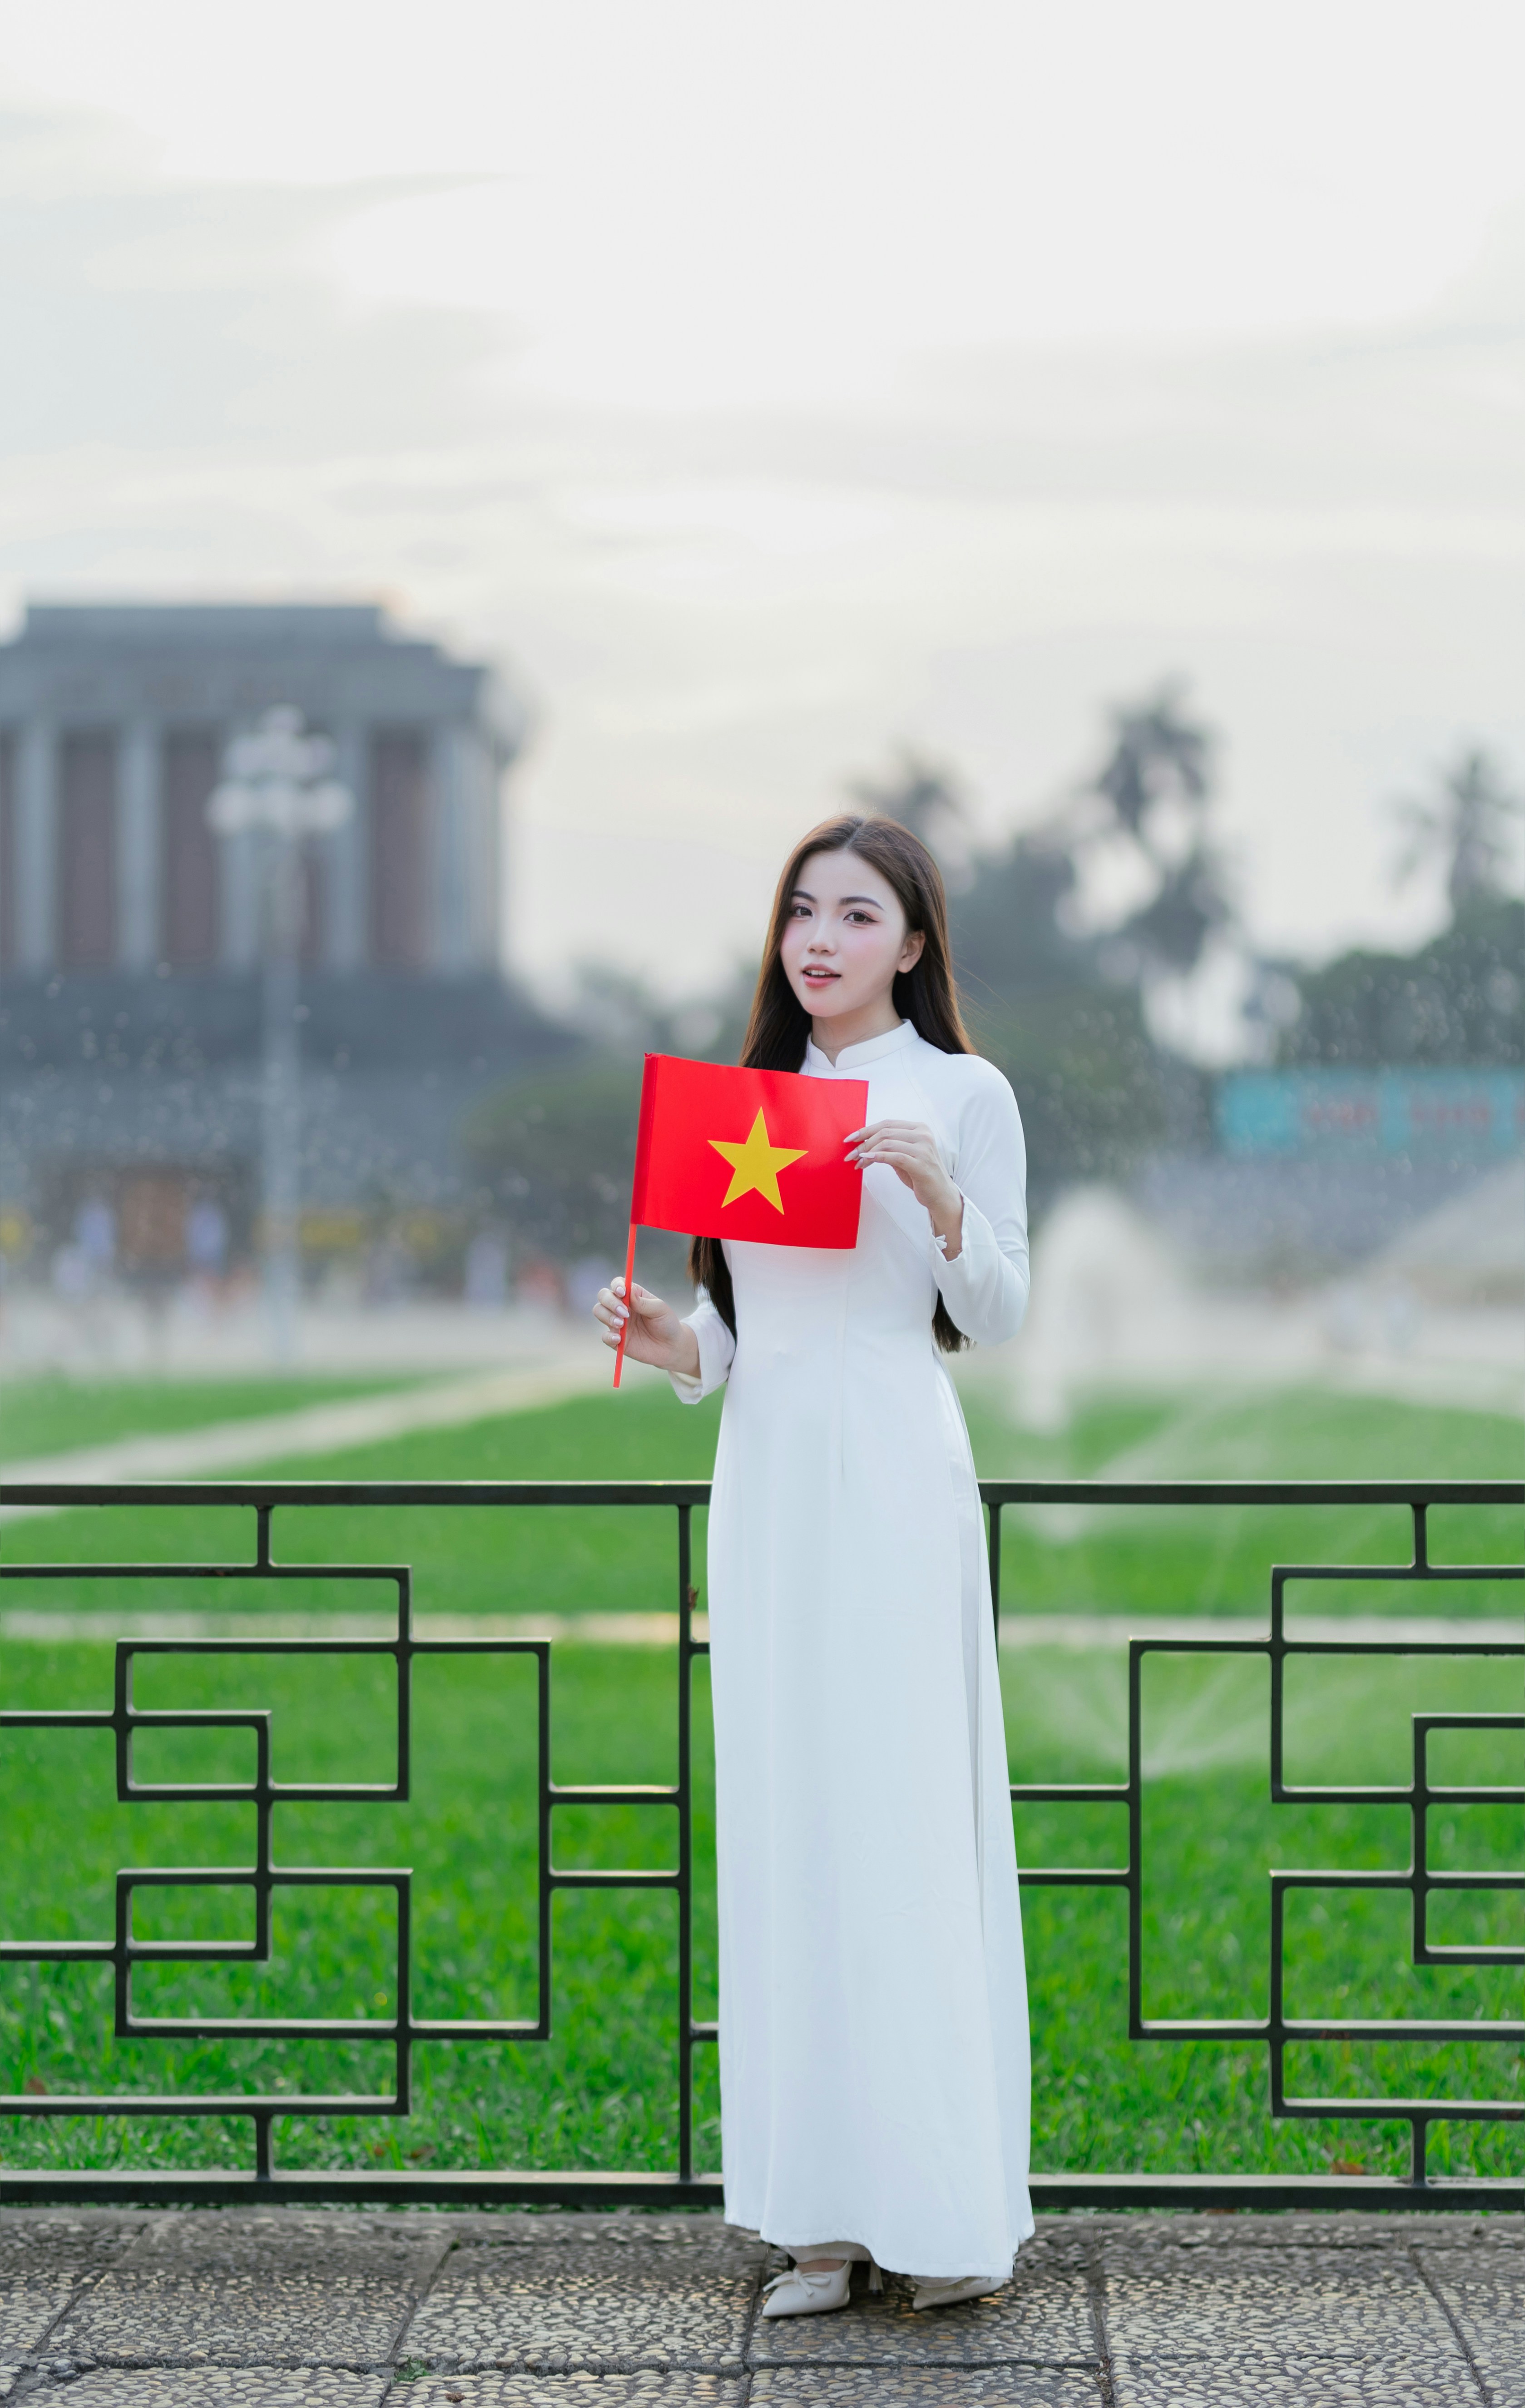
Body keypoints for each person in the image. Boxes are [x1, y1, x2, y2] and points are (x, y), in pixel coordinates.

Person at [593, 814, 1032, 2315]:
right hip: (771, 1477)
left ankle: (945, 2214)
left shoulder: (963, 1092)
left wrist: (943, 1200)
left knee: (900, 1809)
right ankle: (824, 2224)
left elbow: (1002, 1307)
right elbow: (743, 1325)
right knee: (790, 1816)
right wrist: (676, 1347)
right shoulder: (753, 1100)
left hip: (897, 1469)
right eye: (801, 911)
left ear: (914, 944)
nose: (820, 938)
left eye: (856, 913)